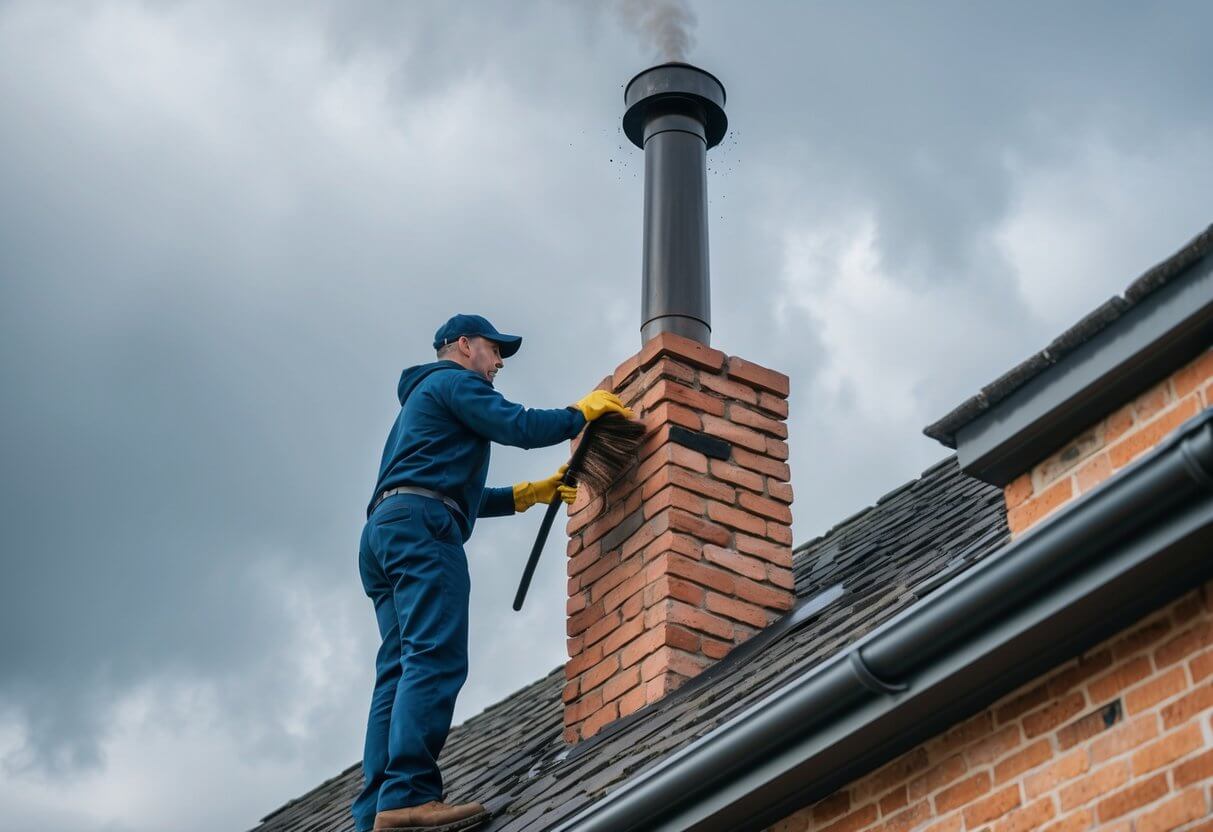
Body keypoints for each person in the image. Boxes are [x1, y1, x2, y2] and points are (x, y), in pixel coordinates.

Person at [354, 313, 633, 832]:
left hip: (386, 531)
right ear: (464, 345)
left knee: (397, 668)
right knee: (434, 655)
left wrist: (527, 495)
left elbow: (445, 485)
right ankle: (409, 794)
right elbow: (518, 426)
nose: (500, 360)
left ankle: (376, 812)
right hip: (422, 530)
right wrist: (579, 414)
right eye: (494, 348)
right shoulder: (456, 382)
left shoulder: (422, 399)